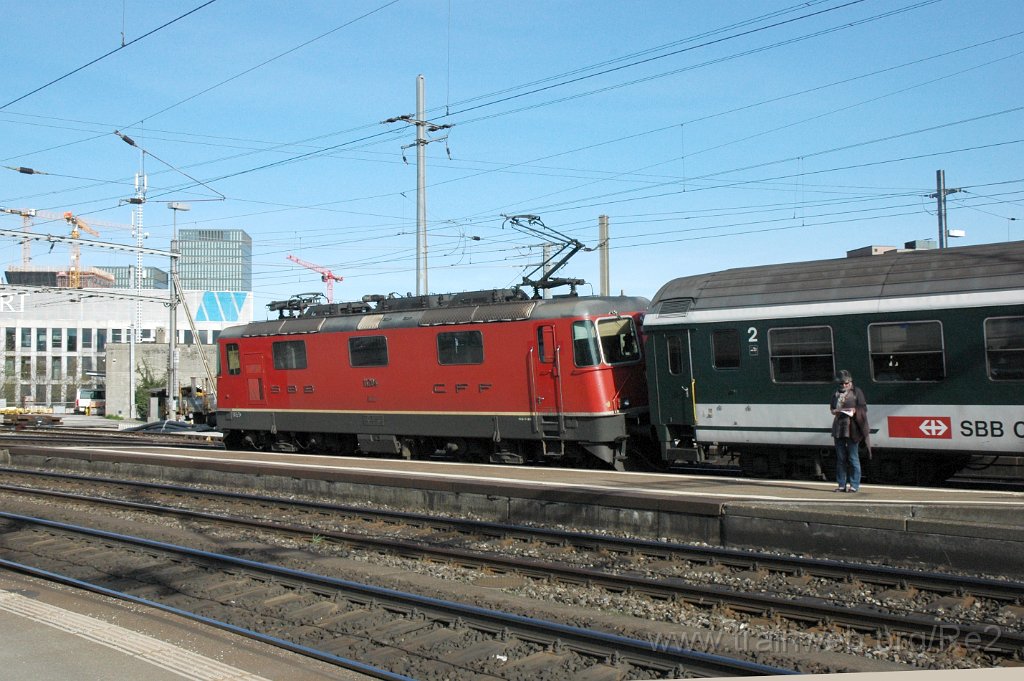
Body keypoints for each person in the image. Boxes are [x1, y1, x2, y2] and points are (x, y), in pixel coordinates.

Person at [830, 370, 869, 492]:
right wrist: (834, 411)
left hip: (852, 429)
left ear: (850, 382)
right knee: (841, 458)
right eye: (841, 384)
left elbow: (863, 408)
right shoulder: (836, 394)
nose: (844, 386)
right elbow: (832, 408)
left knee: (853, 458)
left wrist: (854, 410)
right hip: (838, 428)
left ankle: (854, 485)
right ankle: (841, 485)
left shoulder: (857, 392)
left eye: (846, 383)